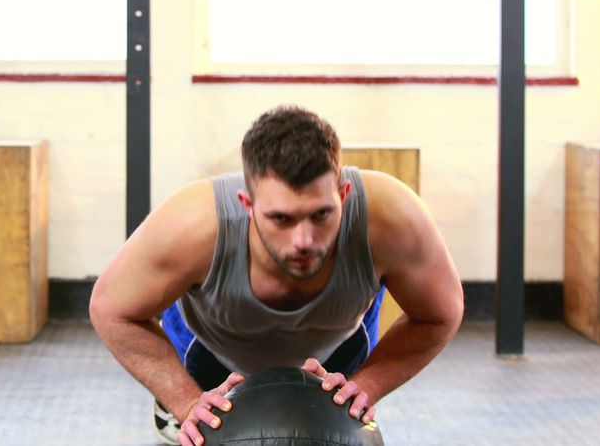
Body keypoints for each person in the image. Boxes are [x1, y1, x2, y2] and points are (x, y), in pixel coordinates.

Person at [89, 105, 464, 446]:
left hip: (336, 353)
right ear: (247, 204)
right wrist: (184, 399)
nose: (304, 241)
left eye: (321, 215)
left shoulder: (392, 217)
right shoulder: (192, 225)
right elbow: (111, 309)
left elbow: (440, 314)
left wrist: (367, 385)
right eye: (281, 218)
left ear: (343, 194)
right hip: (211, 351)